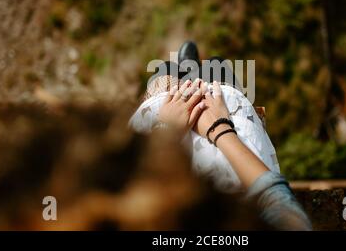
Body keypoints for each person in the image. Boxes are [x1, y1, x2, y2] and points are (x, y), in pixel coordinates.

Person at [129, 41, 312, 230]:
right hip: (222, 122)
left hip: (176, 119)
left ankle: (188, 71)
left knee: (168, 70)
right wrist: (220, 127)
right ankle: (191, 73)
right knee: (215, 66)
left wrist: (166, 131)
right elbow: (277, 199)